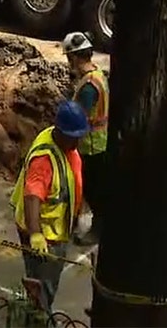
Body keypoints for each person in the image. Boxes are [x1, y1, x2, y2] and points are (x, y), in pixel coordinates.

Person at [10, 100, 87, 315]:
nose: (78, 140)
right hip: (45, 237)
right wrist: (36, 234)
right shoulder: (44, 160)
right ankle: (38, 319)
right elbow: (32, 196)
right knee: (43, 286)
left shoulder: (62, 145)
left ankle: (39, 315)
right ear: (62, 132)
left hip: (57, 230)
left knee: (44, 285)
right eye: (75, 136)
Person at [61, 32, 108, 245]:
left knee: (92, 189)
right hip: (98, 142)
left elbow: (78, 116)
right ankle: (75, 222)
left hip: (91, 145)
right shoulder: (97, 76)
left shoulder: (89, 87)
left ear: (75, 57)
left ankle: (98, 229)